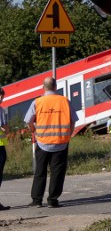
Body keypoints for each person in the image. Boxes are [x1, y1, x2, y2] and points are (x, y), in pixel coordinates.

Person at [25, 77, 74, 208]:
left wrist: (34, 131)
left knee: (40, 171)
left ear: (43, 87)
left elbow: (28, 120)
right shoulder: (65, 101)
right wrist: (68, 134)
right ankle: (52, 200)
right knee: (57, 172)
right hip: (61, 142)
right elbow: (73, 120)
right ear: (55, 87)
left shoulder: (37, 102)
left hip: (42, 142)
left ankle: (36, 200)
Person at [0, 87, 9, 211]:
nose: (1, 98)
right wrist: (7, 128)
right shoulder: (0, 110)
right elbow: (4, 128)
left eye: (2, 96)